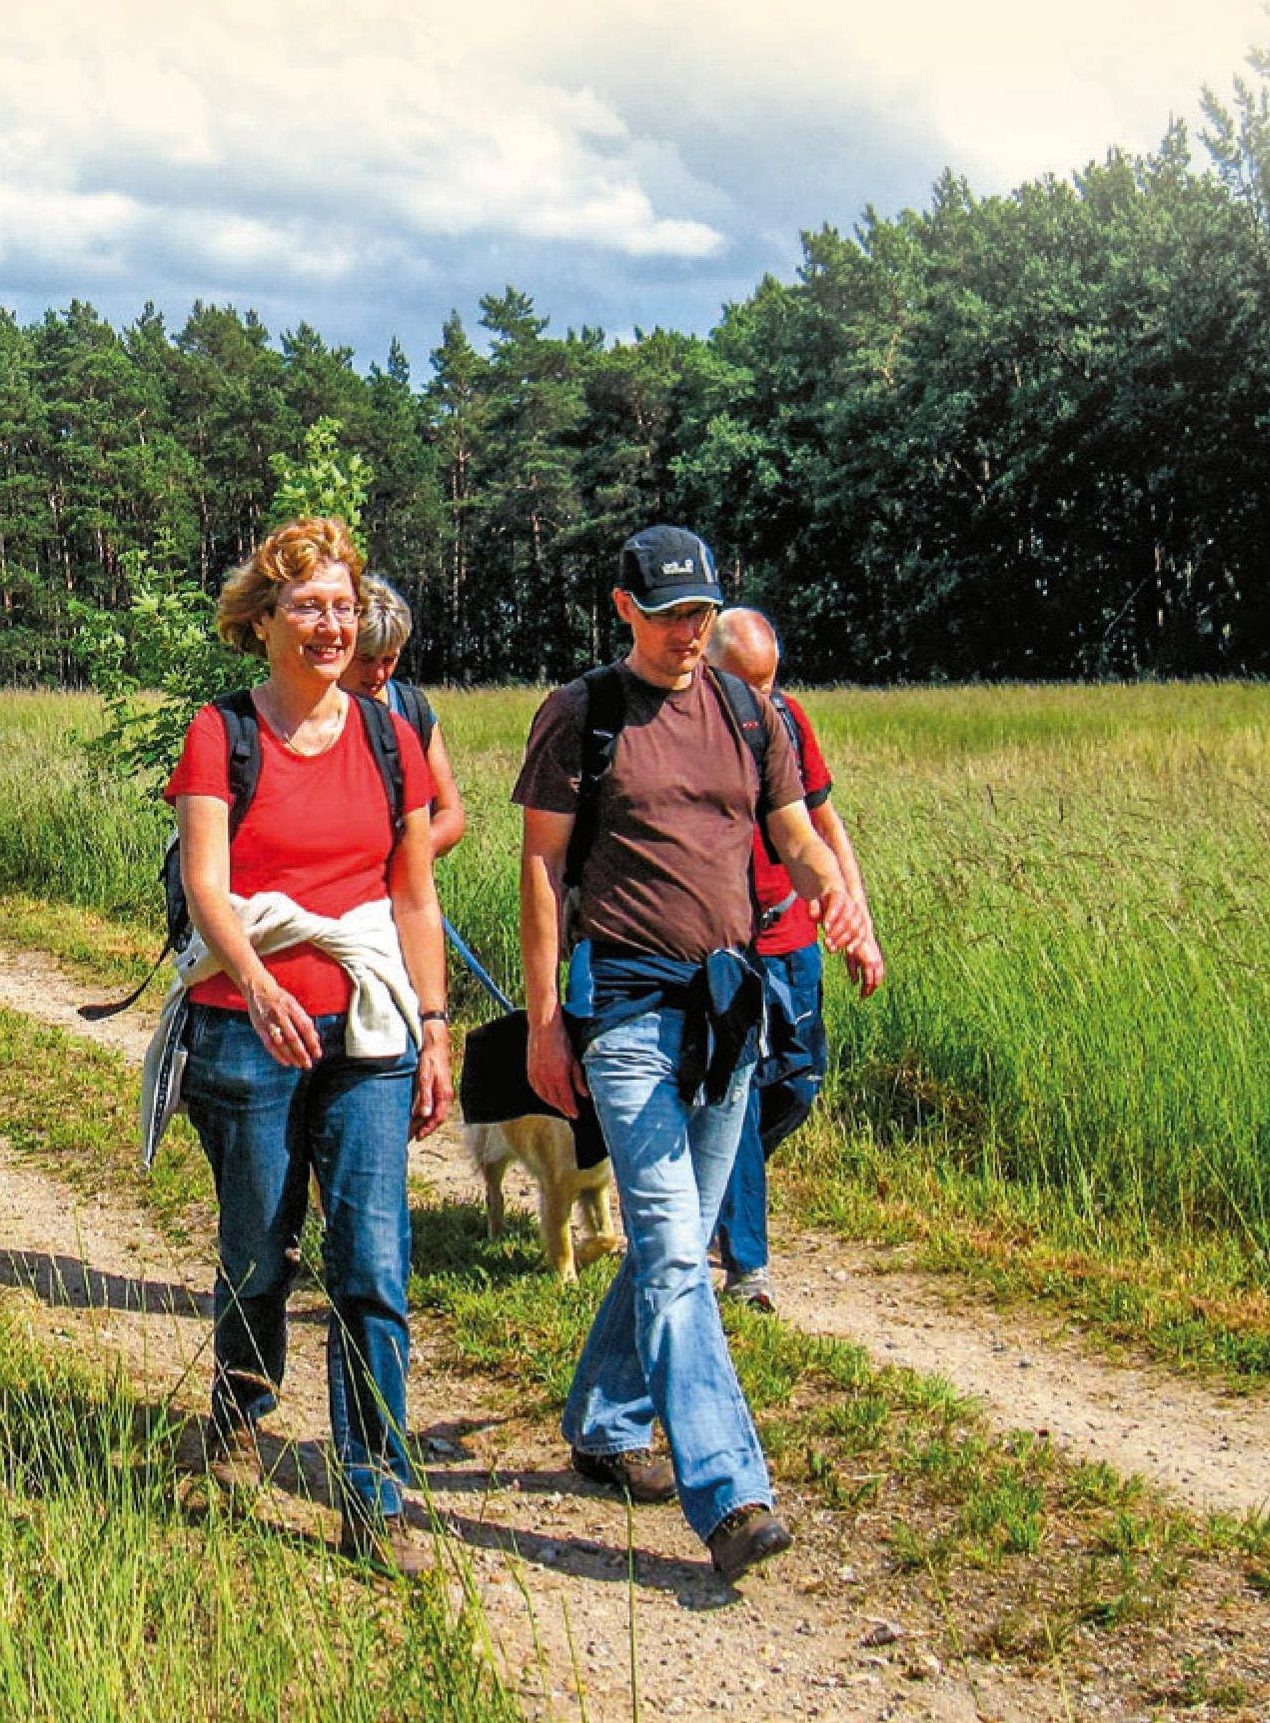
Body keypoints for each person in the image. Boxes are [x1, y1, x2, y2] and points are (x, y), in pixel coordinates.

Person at [513, 524, 881, 1583]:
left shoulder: (745, 709)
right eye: (669, 614)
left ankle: (601, 1418)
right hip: (626, 1010)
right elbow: (541, 869)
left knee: (665, 1248)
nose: (687, 634)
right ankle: (731, 1492)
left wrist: (832, 896)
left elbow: (794, 833)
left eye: (700, 615)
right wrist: (546, 1021)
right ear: (622, 609)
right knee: (678, 1250)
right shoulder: (579, 716)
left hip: (729, 1009)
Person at [164, 518, 452, 1575]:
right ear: (263, 621)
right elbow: (206, 881)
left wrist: (433, 1025)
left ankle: (373, 1497)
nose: (332, 626)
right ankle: (239, 1411)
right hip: (249, 1029)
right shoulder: (220, 731)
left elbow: (413, 894)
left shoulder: (391, 738)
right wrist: (257, 981)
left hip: (371, 1029)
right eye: (309, 607)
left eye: (343, 606)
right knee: (257, 1248)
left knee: (373, 1263)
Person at [706, 608, 884, 1312]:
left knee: (800, 1082)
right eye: (745, 683)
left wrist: (857, 919)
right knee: (740, 1094)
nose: (761, 696)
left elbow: (823, 824)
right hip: (724, 943)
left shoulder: (785, 719)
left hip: (792, 935)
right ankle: (747, 1271)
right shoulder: (685, 734)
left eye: (768, 680)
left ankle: (717, 1179)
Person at [340, 575, 466, 861]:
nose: (378, 675)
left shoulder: (413, 708)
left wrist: (415, 851)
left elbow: (450, 813)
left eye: (389, 659)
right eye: (365, 658)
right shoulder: (307, 710)